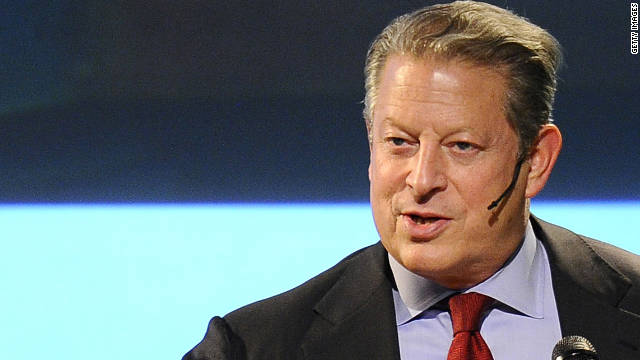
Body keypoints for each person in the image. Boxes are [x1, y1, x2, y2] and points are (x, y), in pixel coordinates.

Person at [184, 2, 640, 359]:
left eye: (461, 147)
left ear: (536, 160)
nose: (421, 181)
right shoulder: (254, 348)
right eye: (399, 142)